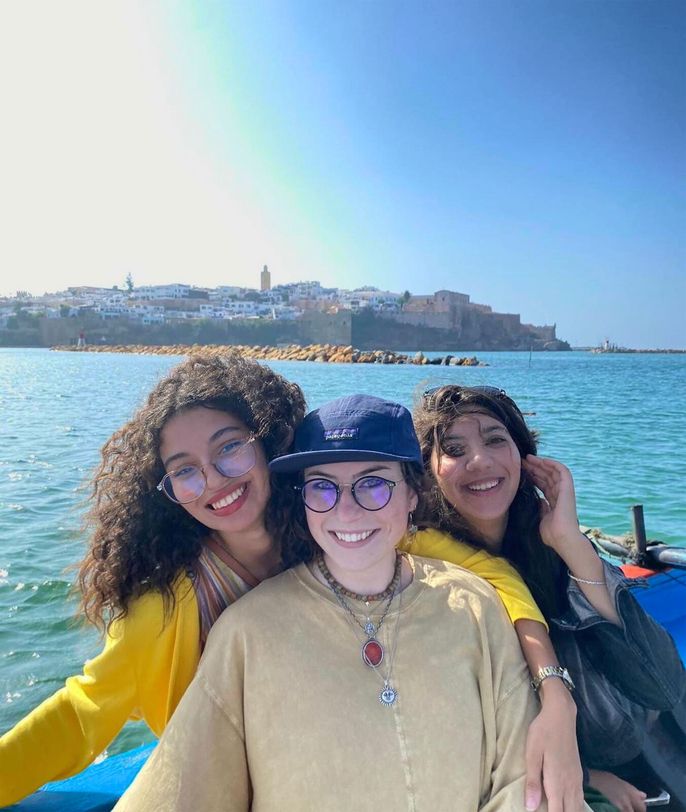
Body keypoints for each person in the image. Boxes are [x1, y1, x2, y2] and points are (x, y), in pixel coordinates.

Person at [115, 394, 584, 811]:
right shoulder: (246, 633)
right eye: (322, 486)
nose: (346, 510)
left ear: (412, 496)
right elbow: (182, 787)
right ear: (301, 501)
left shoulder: (475, 605)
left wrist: (557, 694)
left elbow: (522, 781)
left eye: (373, 484)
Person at [0, 352, 306, 807]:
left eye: (229, 447)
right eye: (184, 470)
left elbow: (418, 547)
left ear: (269, 441)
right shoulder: (162, 608)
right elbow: (82, 715)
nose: (213, 480)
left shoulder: (332, 529)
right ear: (166, 493)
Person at [411, 384, 686, 812]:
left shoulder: (547, 543)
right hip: (524, 774)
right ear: (429, 470)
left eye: (495, 439)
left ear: (525, 458)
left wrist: (571, 543)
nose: (479, 461)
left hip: (617, 746)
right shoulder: (428, 572)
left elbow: (663, 685)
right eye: (454, 449)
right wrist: (593, 778)